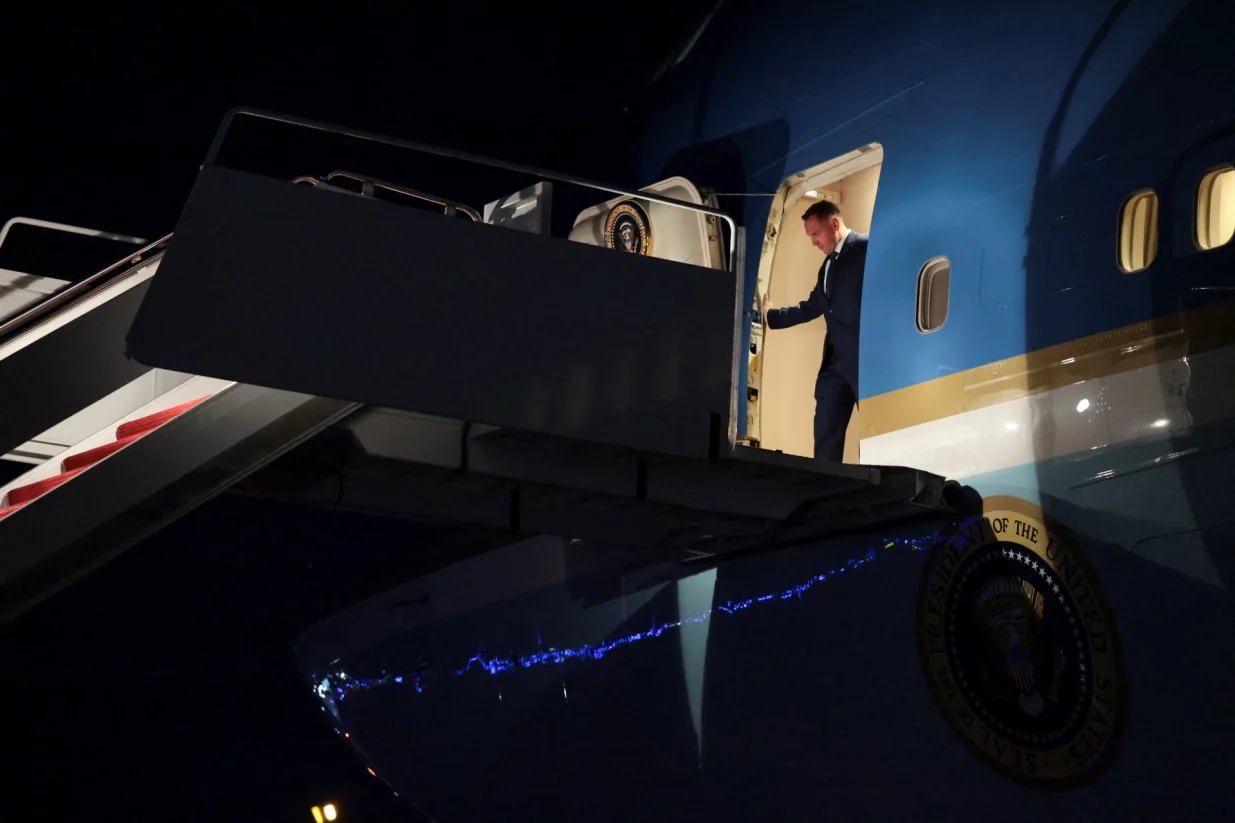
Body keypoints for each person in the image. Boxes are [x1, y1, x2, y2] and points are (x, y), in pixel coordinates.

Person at [761, 199, 867, 462]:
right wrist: (771, 316)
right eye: (810, 237)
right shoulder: (827, 265)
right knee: (825, 436)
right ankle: (826, 492)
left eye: (815, 234)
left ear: (834, 224)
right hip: (834, 367)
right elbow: (812, 306)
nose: (813, 242)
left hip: (865, 363)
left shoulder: (867, 248)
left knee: (874, 435)